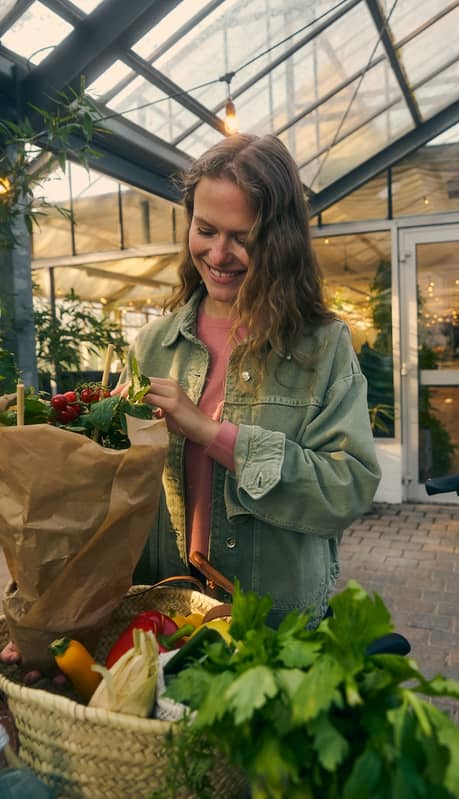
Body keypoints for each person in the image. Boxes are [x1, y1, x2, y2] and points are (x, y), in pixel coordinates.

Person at [126, 133, 381, 626]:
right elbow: (114, 497)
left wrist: (208, 432)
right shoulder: (152, 346)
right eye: (205, 230)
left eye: (243, 237)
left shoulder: (322, 347)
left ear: (280, 241)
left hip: (273, 622)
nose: (219, 254)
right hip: (162, 615)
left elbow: (348, 488)